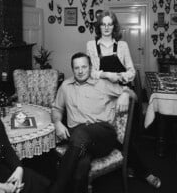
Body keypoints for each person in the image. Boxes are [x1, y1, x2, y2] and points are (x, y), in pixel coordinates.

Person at [86, 10, 162, 188]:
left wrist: (122, 86)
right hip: (102, 94)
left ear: (114, 26)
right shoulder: (91, 45)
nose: (106, 27)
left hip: (122, 92)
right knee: (109, 132)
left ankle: (135, 167)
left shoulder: (122, 46)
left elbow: (131, 72)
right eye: (103, 24)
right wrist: (110, 75)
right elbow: (92, 72)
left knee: (128, 135)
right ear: (99, 27)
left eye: (109, 24)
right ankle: (137, 168)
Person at [50, 52, 134, 193]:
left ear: (90, 67)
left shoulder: (102, 84)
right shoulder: (65, 86)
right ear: (72, 69)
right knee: (81, 166)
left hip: (103, 135)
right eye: (77, 68)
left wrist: (125, 93)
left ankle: (57, 188)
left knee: (80, 133)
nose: (81, 71)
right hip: (80, 141)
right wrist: (57, 122)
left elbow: (133, 94)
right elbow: (57, 109)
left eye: (84, 66)